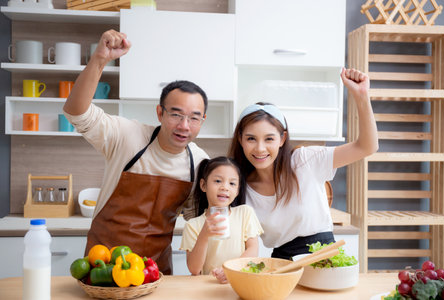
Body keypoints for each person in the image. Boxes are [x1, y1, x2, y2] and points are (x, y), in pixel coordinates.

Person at [63, 29, 209, 274]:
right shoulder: (127, 135)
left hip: (156, 272)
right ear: (159, 113)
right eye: (176, 114)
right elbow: (75, 113)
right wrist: (99, 59)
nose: (184, 126)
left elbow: (199, 225)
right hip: (103, 268)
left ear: (202, 121)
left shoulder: (199, 163)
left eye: (194, 118)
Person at [228, 68, 378, 260]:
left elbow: (367, 146)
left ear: (282, 139)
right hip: (283, 263)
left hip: (325, 257)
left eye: (269, 139)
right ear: (240, 139)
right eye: (251, 138)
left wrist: (362, 96)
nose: (260, 148)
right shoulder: (239, 188)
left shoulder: (304, 160)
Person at [180, 156, 264, 283]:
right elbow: (194, 269)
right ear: (203, 185)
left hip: (240, 281)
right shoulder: (193, 225)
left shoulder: (245, 213)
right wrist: (204, 235)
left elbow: (252, 249)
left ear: (237, 191)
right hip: (208, 286)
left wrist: (231, 269)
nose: (225, 187)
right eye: (218, 181)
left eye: (232, 183)